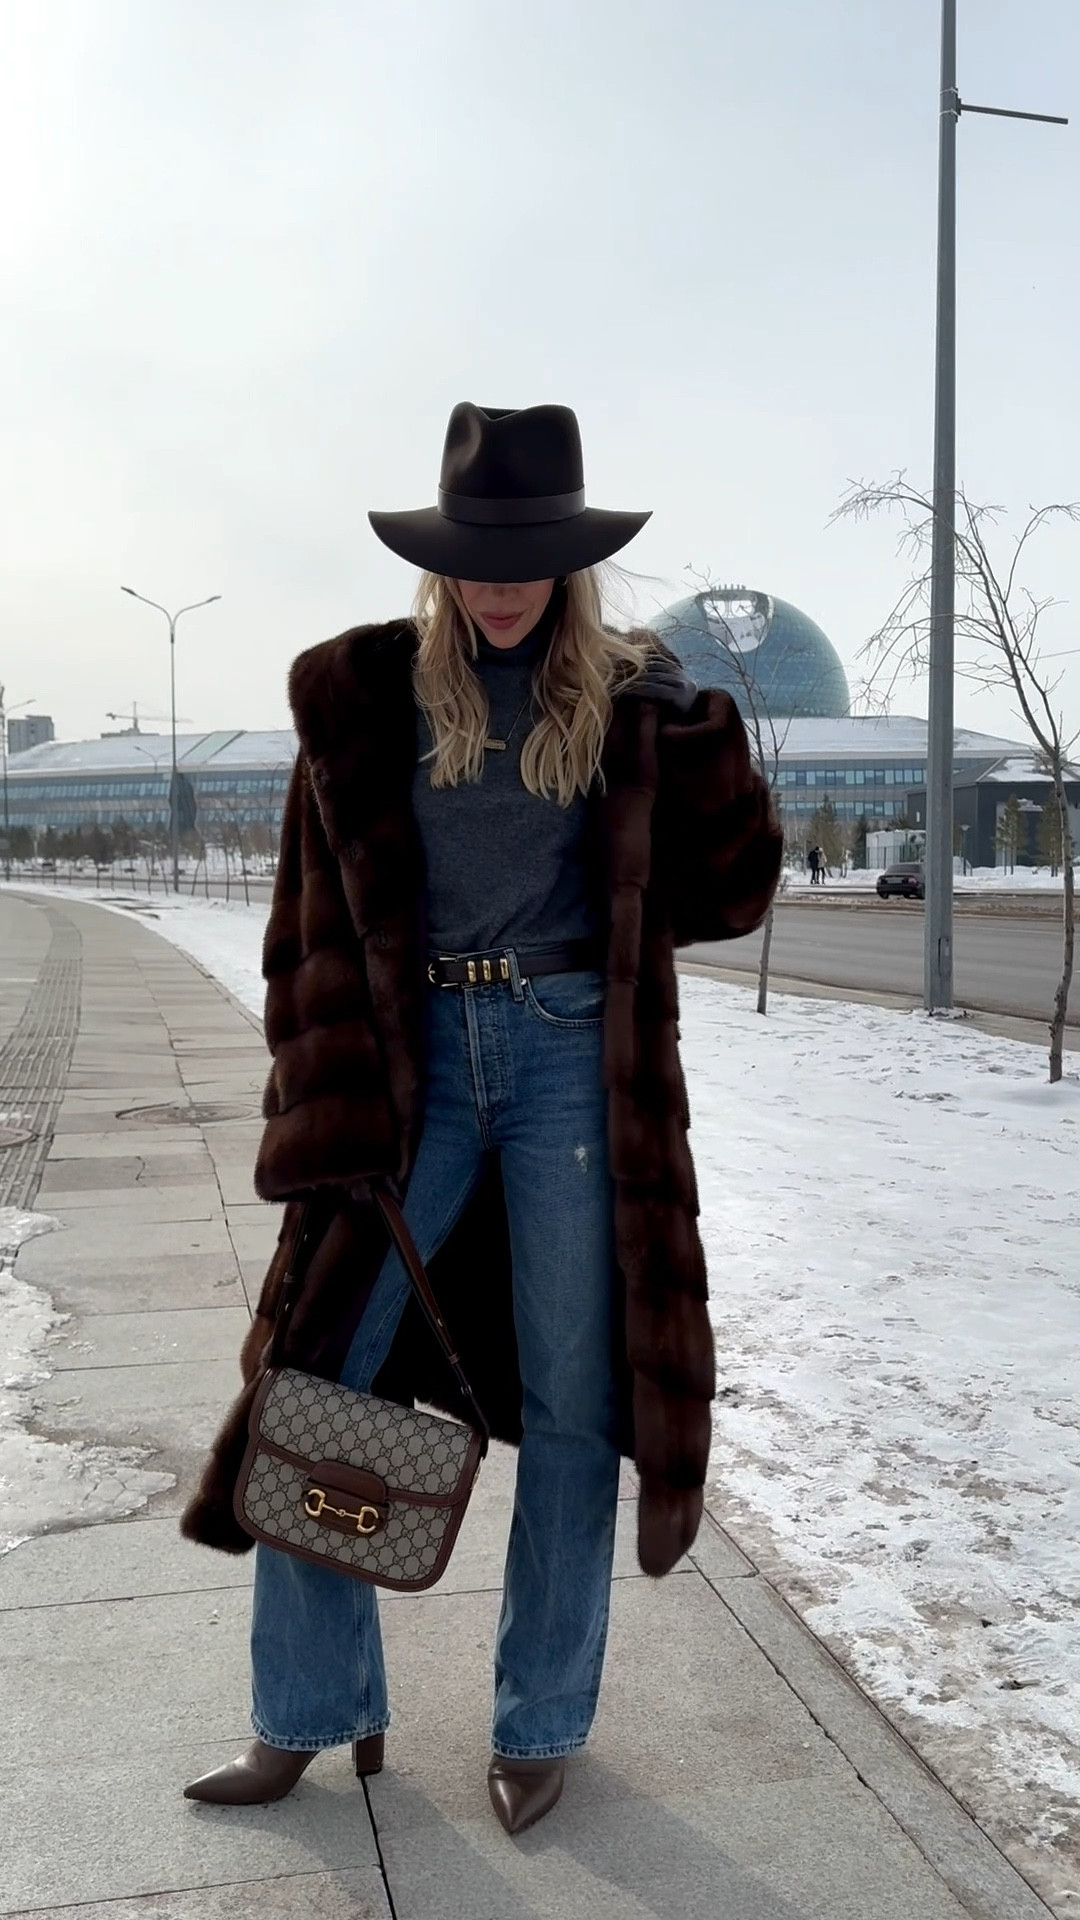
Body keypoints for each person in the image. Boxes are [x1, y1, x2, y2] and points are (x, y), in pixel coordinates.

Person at [181, 402, 782, 1835]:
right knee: (322, 1375)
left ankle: (540, 1719)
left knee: (575, 1403)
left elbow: (730, 896)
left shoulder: (631, 702)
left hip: (572, 1055)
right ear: (438, 562)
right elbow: (306, 921)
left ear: (571, 563)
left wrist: (701, 735)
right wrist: (315, 1098)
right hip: (413, 1069)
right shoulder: (365, 694)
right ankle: (305, 1711)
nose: (500, 585)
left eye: (528, 559)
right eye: (475, 558)